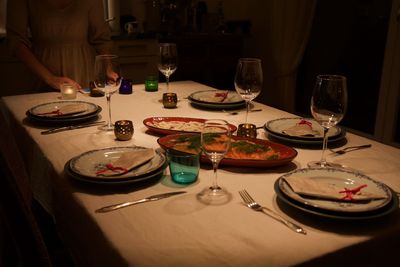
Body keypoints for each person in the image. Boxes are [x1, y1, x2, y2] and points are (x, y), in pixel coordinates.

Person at [6, 0, 114, 92]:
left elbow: (101, 38)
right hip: (41, 76)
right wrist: (50, 78)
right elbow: (16, 42)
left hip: (82, 76)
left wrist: (108, 68)